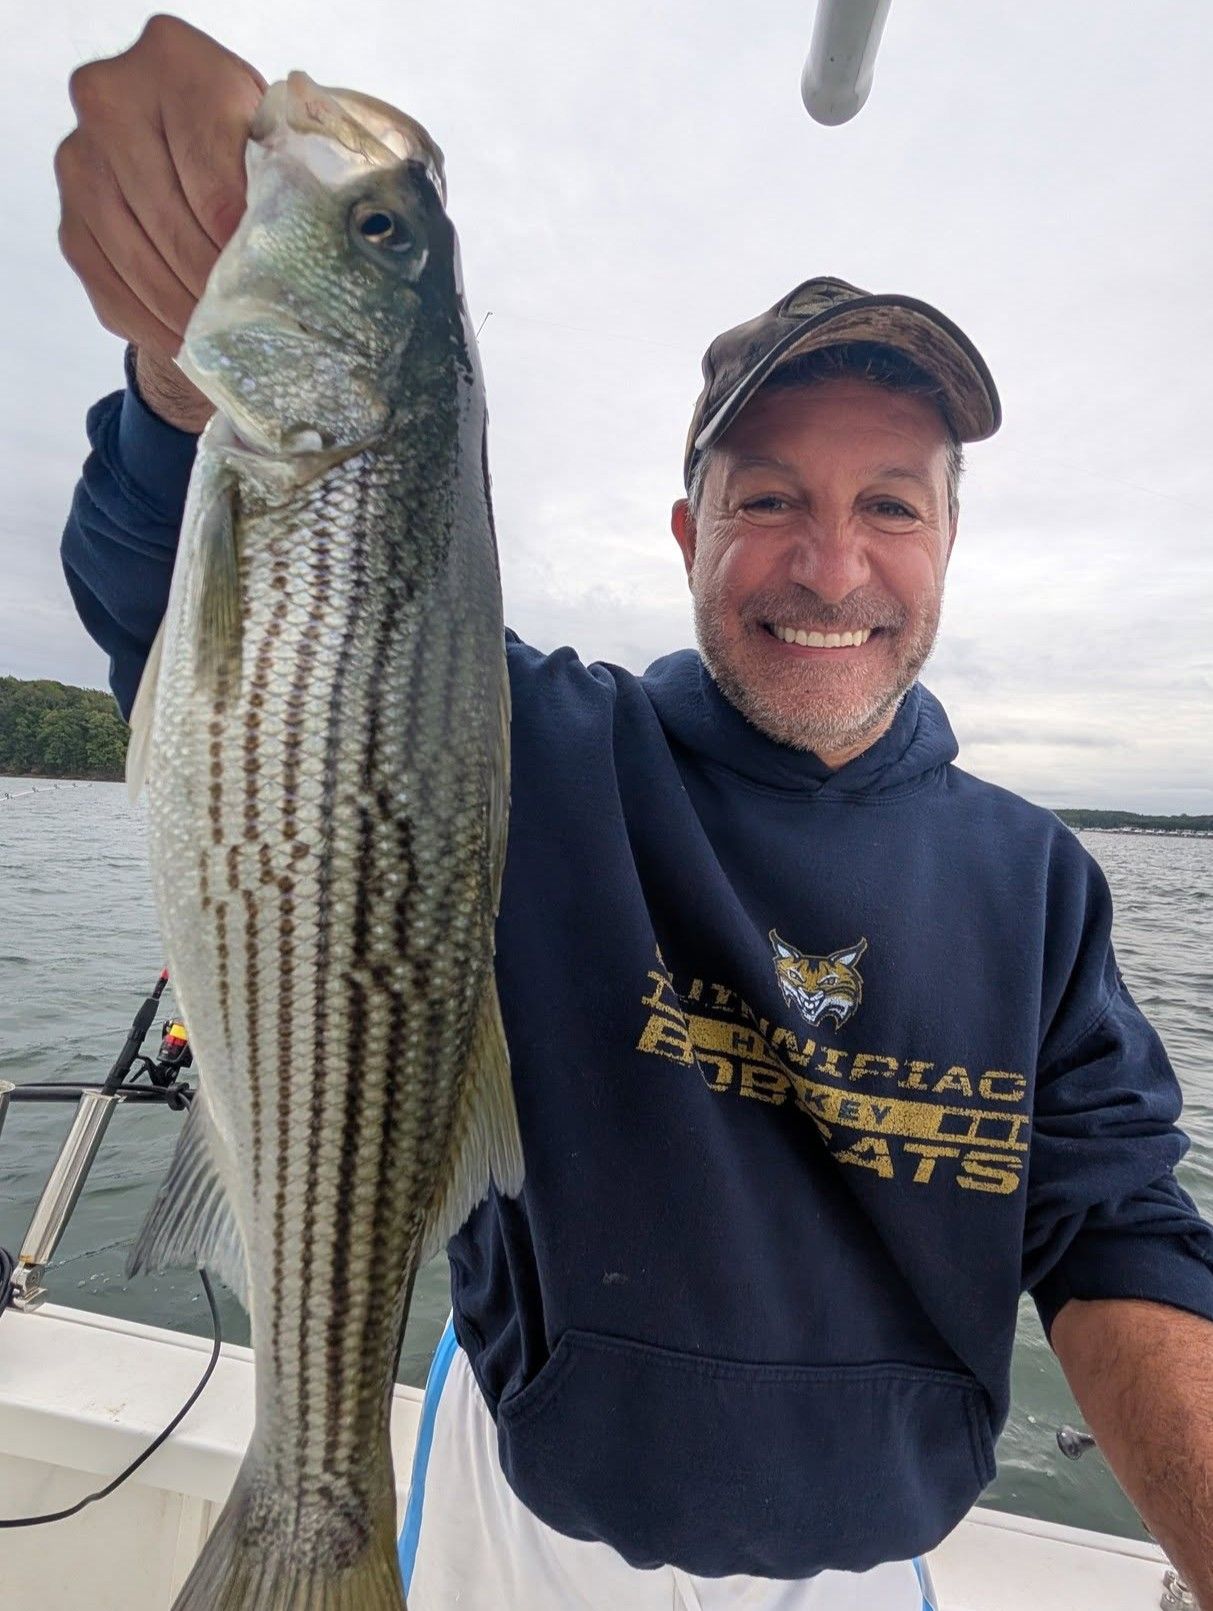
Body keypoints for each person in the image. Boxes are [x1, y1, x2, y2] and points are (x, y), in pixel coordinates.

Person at [55, 17, 1213, 1611]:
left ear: (948, 541)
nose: (829, 565)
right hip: (516, 1517)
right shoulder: (527, 739)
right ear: (686, 528)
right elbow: (198, 630)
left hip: (872, 1568)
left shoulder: (1034, 883)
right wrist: (169, 381)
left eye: (888, 503)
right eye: (767, 500)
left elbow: (1112, 1227)